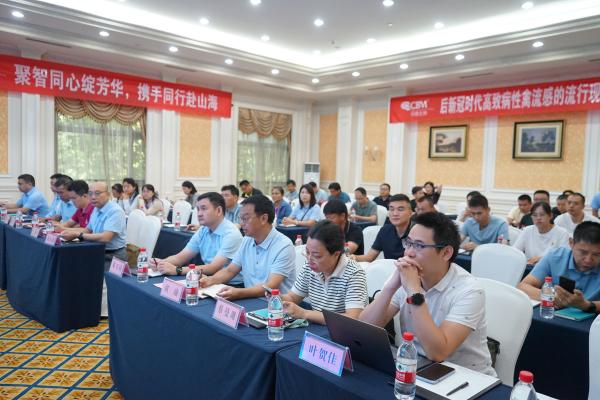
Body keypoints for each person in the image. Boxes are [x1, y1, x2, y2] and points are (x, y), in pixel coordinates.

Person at [359, 212, 496, 375]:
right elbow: (364, 328)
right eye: (408, 243)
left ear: (446, 253)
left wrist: (414, 291)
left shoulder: (470, 290)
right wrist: (390, 287)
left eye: (419, 246)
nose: (409, 253)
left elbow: (438, 353)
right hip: (416, 366)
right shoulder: (407, 276)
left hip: (467, 376)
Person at [199, 195, 296, 300]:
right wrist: (210, 280)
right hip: (250, 299)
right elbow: (230, 270)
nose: (241, 223)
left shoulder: (284, 246)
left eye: (245, 219)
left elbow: (271, 286)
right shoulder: (247, 240)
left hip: (275, 304)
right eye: (241, 219)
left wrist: (239, 293)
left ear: (263, 218)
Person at [282, 220, 368, 324]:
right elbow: (292, 297)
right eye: (307, 252)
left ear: (336, 254)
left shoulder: (354, 274)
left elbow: (353, 318)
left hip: (344, 331)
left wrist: (305, 313)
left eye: (316, 256)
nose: (309, 259)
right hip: (318, 328)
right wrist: (276, 297)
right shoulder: (309, 267)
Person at [149, 192, 243, 285]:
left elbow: (213, 267)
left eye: (204, 209)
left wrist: (177, 270)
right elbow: (180, 257)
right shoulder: (203, 230)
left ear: (218, 210)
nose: (199, 214)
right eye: (198, 209)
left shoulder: (231, 234)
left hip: (231, 285)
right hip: (208, 279)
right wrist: (161, 263)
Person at [518, 221, 600, 313]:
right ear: (571, 243)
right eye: (583, 252)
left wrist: (586, 305)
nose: (588, 260)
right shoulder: (555, 257)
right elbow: (523, 286)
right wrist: (553, 297)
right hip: (553, 313)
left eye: (596, 254)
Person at [61, 181, 127, 267]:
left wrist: (78, 235)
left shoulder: (115, 211)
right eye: (90, 193)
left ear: (108, 194)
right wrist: (70, 233)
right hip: (96, 250)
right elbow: (88, 230)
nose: (93, 197)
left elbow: (105, 237)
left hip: (113, 255)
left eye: (97, 193)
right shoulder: (96, 208)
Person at [352, 194, 412, 262]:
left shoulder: (418, 232)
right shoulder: (385, 230)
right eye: (391, 209)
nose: (395, 213)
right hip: (388, 268)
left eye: (400, 209)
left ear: (410, 213)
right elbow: (369, 258)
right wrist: (351, 257)